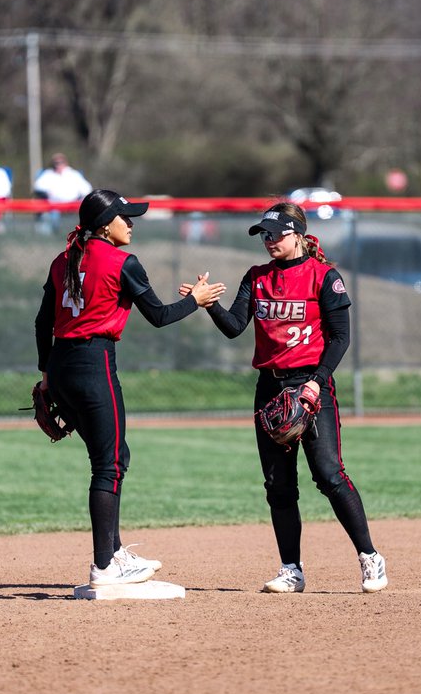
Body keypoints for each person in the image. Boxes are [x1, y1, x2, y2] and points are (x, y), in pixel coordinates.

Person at [182, 201, 388, 595]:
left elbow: (340, 337)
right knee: (278, 485)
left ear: (297, 234)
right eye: (264, 234)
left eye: (276, 233)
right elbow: (233, 327)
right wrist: (208, 304)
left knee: (329, 475)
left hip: (311, 386)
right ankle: (291, 569)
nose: (269, 240)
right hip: (270, 389)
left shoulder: (324, 277)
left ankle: (369, 556)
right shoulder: (256, 278)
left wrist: (317, 382)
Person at [35, 189, 226, 588]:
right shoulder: (123, 261)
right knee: (109, 465)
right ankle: (104, 565)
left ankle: (115, 551)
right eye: (125, 217)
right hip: (94, 364)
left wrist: (47, 374)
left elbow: (42, 322)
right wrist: (198, 300)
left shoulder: (63, 259)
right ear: (106, 225)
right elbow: (158, 315)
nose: (131, 223)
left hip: (62, 366)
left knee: (112, 455)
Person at [32, 153, 92, 234]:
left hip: (73, 205)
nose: (58, 165)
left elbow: (87, 189)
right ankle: (53, 235)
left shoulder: (73, 174)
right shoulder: (48, 174)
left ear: (65, 163)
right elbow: (37, 187)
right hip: (53, 205)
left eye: (61, 162)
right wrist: (46, 193)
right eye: (56, 163)